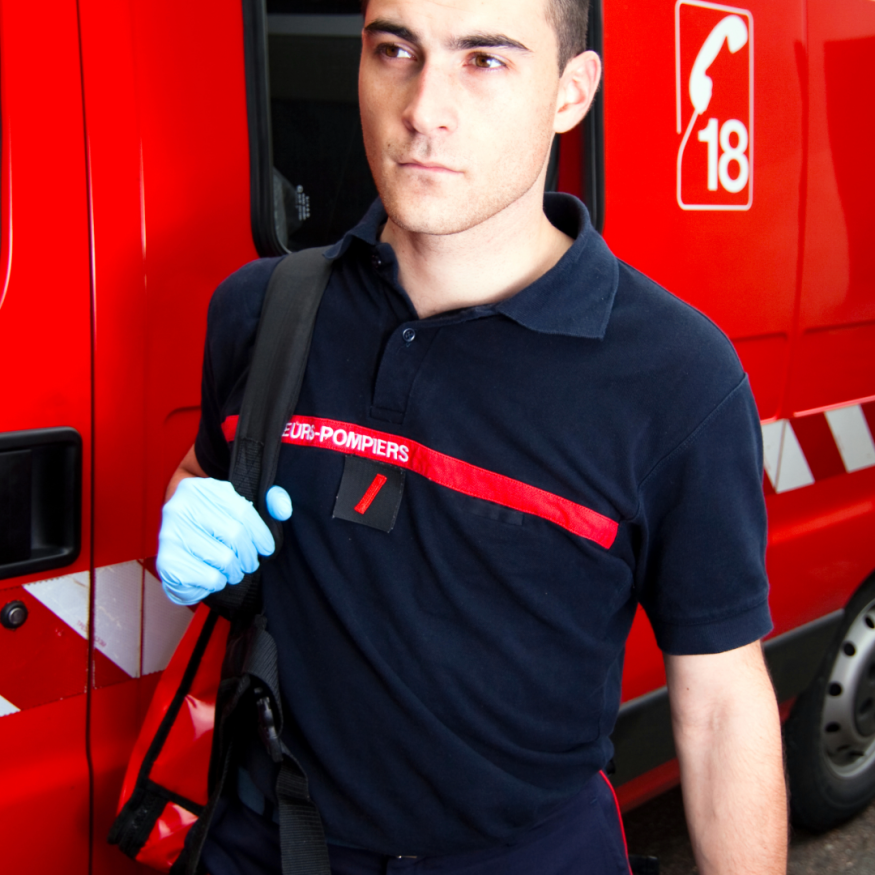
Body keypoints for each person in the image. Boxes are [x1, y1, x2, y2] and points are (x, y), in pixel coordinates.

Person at [157, 0, 788, 872]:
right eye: (394, 50)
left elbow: (720, 703)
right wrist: (185, 504)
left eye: (484, 60)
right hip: (267, 842)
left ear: (571, 93)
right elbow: (204, 468)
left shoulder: (677, 378)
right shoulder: (262, 309)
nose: (422, 107)